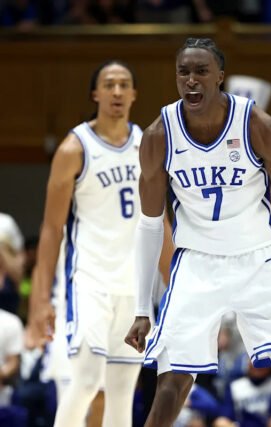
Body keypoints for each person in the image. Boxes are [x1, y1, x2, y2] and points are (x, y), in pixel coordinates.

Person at [125, 38, 271, 427]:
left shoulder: (257, 126)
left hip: (259, 260)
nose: (191, 80)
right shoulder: (158, 136)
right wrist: (141, 309)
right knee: (169, 391)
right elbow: (150, 224)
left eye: (201, 71)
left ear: (220, 76)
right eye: (183, 72)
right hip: (196, 264)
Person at [28, 60, 169, 427]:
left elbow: (161, 222)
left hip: (134, 287)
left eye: (124, 84)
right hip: (88, 281)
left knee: (122, 393)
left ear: (135, 94)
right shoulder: (74, 148)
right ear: (95, 94)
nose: (117, 92)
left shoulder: (148, 145)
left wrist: (176, 283)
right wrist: (40, 299)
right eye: (109, 84)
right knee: (87, 380)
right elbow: (51, 228)